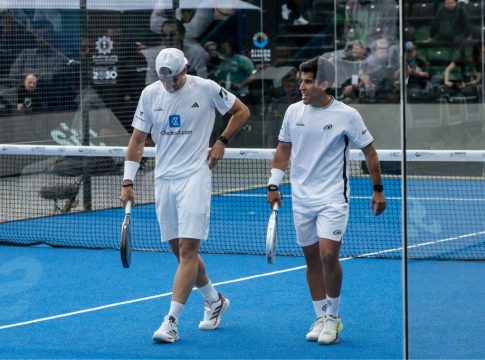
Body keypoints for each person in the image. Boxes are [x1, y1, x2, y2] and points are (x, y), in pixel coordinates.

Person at [119, 48, 250, 343]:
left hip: (195, 176)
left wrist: (221, 141)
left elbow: (242, 111)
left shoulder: (206, 88)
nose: (170, 84)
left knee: (189, 251)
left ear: (185, 69)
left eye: (175, 78)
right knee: (179, 252)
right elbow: (138, 140)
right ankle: (215, 301)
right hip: (164, 179)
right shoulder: (150, 94)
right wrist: (128, 181)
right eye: (164, 79)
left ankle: (171, 321)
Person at [266, 56, 386, 345]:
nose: (301, 87)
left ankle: (333, 317)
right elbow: (283, 149)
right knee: (311, 260)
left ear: (324, 84)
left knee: (328, 255)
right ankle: (320, 316)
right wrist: (273, 183)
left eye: (308, 82)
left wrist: (378, 188)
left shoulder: (347, 114)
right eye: (301, 81)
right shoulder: (293, 112)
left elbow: (369, 151)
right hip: (301, 198)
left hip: (333, 197)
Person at [142, 19, 209, 84]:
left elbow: (203, 82)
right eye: (164, 35)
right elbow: (151, 85)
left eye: (172, 35)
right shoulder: (156, 57)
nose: (168, 38)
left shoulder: (196, 54)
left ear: (182, 36)